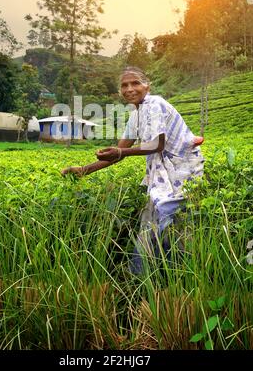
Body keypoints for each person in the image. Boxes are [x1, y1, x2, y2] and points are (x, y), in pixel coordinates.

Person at [62, 66, 204, 274]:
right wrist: (85, 169)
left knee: (160, 226)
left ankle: (143, 278)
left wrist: (120, 153)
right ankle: (168, 277)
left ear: (147, 85)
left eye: (135, 83)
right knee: (165, 227)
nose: (129, 89)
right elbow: (120, 151)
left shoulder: (154, 104)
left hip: (182, 173)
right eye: (124, 85)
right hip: (166, 179)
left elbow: (157, 144)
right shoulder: (136, 115)